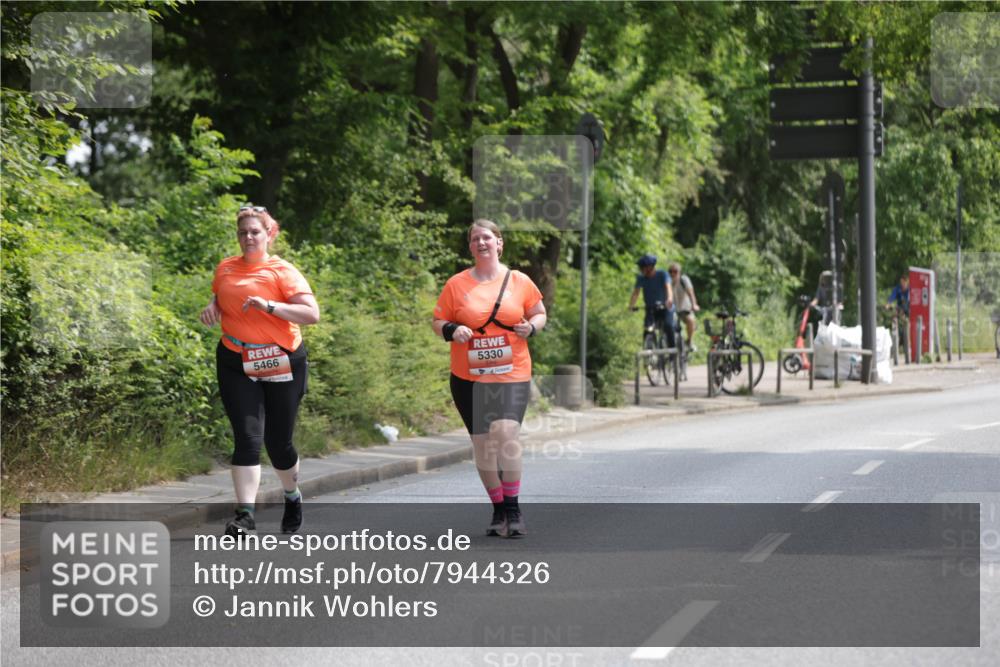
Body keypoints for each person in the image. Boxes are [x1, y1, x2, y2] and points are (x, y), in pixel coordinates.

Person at [200, 205, 320, 537]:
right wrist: (213, 308)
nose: (248, 237)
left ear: (270, 234)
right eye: (243, 232)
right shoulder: (225, 268)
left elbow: (311, 314)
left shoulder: (283, 271)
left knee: (278, 442)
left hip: (282, 360)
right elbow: (221, 296)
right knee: (247, 438)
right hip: (236, 361)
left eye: (255, 231)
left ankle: (292, 496)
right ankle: (245, 515)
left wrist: (269, 306)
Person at [432, 219, 546, 538]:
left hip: (512, 371)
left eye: (486, 237)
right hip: (468, 376)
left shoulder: (519, 281)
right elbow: (438, 321)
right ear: (470, 247)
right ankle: (497, 510)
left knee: (506, 435)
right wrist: (453, 330)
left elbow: (540, 312)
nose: (481, 243)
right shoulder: (456, 284)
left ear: (499, 243)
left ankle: (513, 507)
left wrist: (532, 327)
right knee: (483, 445)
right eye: (474, 239)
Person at [628, 254, 675, 349]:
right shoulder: (641, 278)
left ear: (650, 267)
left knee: (668, 325)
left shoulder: (662, 274)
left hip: (665, 307)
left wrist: (669, 299)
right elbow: (636, 293)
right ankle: (648, 355)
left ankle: (672, 351)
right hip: (651, 308)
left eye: (642, 267)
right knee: (647, 329)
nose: (641, 269)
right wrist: (631, 305)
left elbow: (668, 287)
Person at [668, 262, 700, 349]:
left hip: (684, 308)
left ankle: (689, 341)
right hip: (672, 310)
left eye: (675, 271)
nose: (672, 274)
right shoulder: (668, 282)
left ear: (679, 272)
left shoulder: (684, 280)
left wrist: (694, 305)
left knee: (690, 320)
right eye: (670, 271)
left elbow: (691, 293)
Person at [885, 272, 910, 353]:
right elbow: (892, 296)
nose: (902, 284)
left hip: (908, 311)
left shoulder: (910, 290)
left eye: (903, 283)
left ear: (907, 282)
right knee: (894, 319)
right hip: (900, 310)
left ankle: (906, 344)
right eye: (901, 282)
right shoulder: (898, 288)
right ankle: (895, 345)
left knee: (907, 325)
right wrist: (888, 303)